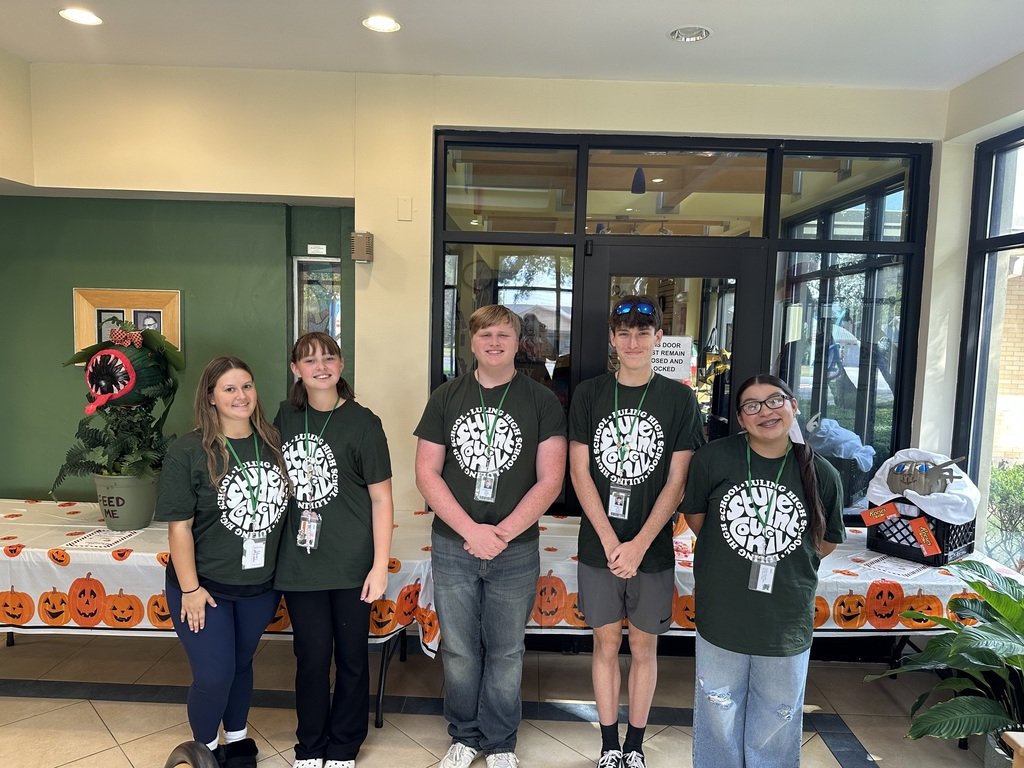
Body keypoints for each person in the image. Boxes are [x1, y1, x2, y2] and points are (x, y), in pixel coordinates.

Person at [414, 304, 567, 768]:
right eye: (485, 335)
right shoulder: (445, 397)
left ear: (517, 343)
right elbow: (426, 472)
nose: (494, 342)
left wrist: (499, 533)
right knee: (459, 649)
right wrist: (471, 531)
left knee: (506, 650)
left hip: (515, 548)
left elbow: (551, 480)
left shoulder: (540, 401)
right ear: (472, 341)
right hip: (454, 545)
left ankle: (500, 742)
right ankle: (463, 736)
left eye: (503, 334)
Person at [680, 374, 846, 768]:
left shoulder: (823, 473)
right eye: (751, 405)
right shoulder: (713, 459)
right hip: (724, 610)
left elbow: (825, 542)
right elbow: (696, 518)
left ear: (794, 405)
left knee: (778, 713)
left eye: (775, 400)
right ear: (740, 419)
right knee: (717, 708)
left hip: (784, 617)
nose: (765, 411)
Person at [568, 295, 705, 768]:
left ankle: (635, 746)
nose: (632, 341)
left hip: (652, 550)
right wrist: (611, 543)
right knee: (605, 643)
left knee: (645, 646)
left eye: (642, 333)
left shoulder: (678, 399)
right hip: (599, 547)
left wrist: (640, 544)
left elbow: (678, 479)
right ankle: (608, 744)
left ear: (657, 338)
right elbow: (580, 473)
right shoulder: (589, 394)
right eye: (623, 332)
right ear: (611, 337)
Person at [156, 356, 290, 768]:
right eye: (229, 388)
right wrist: (191, 590)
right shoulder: (189, 450)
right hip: (204, 587)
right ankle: (204, 751)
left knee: (240, 665)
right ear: (211, 397)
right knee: (214, 675)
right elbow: (179, 528)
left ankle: (237, 741)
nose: (241, 395)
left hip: (258, 586)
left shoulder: (273, 441)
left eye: (247, 386)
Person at [274, 332, 394, 768]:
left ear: (341, 365)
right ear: (296, 370)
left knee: (351, 658)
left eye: (329, 358)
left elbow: (382, 498)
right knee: (310, 659)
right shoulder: (285, 417)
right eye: (309, 360)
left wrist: (379, 565)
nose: (321, 366)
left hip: (350, 563)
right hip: (300, 564)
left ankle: (343, 746)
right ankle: (310, 746)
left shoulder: (364, 423)